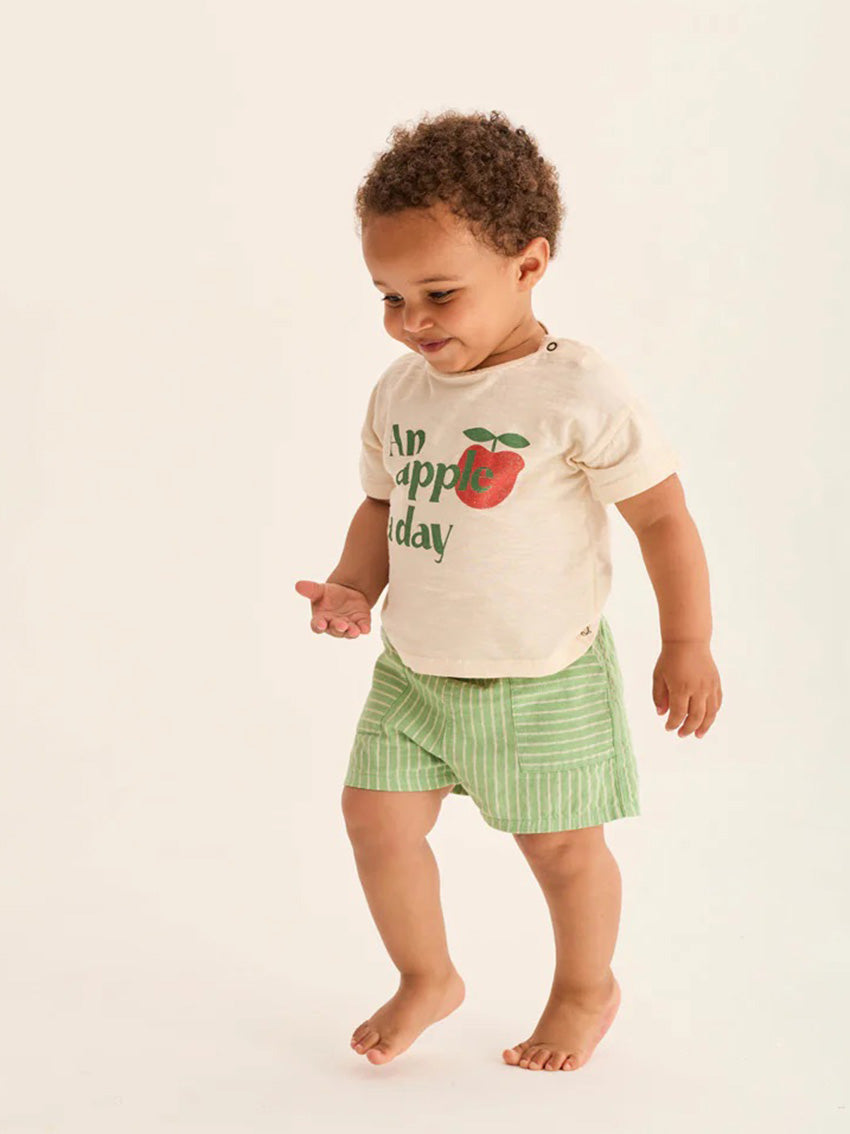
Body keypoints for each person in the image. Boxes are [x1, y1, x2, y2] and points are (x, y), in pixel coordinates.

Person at [295, 109, 722, 1072]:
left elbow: (662, 518)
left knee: (561, 850)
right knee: (374, 819)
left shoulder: (578, 392)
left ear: (528, 265)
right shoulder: (399, 391)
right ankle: (428, 976)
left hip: (542, 677)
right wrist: (354, 587)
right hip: (416, 672)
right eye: (390, 297)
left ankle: (585, 989)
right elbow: (383, 505)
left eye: (439, 293)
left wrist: (687, 642)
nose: (412, 321)